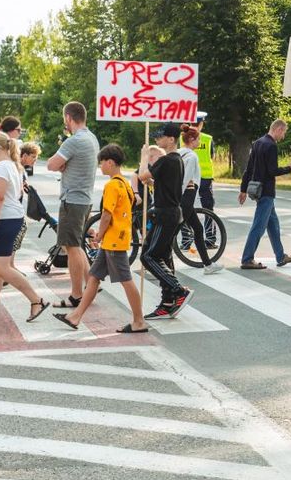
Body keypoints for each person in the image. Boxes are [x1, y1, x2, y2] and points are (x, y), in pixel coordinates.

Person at [55, 144, 148, 334]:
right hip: (114, 241)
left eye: (102, 163)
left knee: (126, 280)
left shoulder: (112, 185)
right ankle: (76, 316)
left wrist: (99, 234)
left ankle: (139, 321)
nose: (100, 166)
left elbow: (107, 214)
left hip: (114, 241)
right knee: (94, 279)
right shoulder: (124, 184)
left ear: (111, 162)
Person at [0, 132, 50, 324]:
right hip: (5, 220)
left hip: (3, 222)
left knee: (1, 267)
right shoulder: (9, 166)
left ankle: (36, 300)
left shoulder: (1, 168)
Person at [46, 101, 100, 306]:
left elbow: (51, 164)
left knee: (72, 248)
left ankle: (76, 295)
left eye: (64, 119)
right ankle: (91, 284)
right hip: (85, 199)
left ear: (68, 118)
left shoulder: (73, 141)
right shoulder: (92, 138)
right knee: (77, 246)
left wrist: (63, 165)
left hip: (72, 200)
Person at [138, 123, 193, 318]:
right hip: (170, 213)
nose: (156, 140)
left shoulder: (167, 159)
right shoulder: (176, 160)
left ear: (171, 139)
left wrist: (144, 157)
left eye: (160, 137)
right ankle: (168, 301)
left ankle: (179, 291)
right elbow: (157, 182)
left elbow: (142, 176)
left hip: (166, 214)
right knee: (163, 257)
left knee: (148, 256)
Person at [239, 119, 291, 269]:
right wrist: (289, 168)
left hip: (257, 189)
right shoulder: (271, 146)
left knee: (273, 225)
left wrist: (243, 189)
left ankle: (280, 256)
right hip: (267, 191)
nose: (283, 136)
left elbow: (248, 168)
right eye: (283, 132)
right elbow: (272, 171)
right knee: (259, 225)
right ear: (277, 129)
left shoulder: (257, 143)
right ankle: (247, 258)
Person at [178, 124, 223, 273]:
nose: (199, 142)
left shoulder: (179, 153)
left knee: (197, 228)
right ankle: (154, 262)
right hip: (186, 197)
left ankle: (208, 265)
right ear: (191, 139)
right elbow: (186, 179)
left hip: (183, 197)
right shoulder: (191, 156)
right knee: (169, 233)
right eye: (197, 139)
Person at [192, 111, 218, 246]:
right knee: (208, 209)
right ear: (201, 124)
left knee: (186, 208)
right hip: (205, 177)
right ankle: (210, 239)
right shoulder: (207, 139)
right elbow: (212, 156)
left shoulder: (182, 138)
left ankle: (186, 240)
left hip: (189, 177)